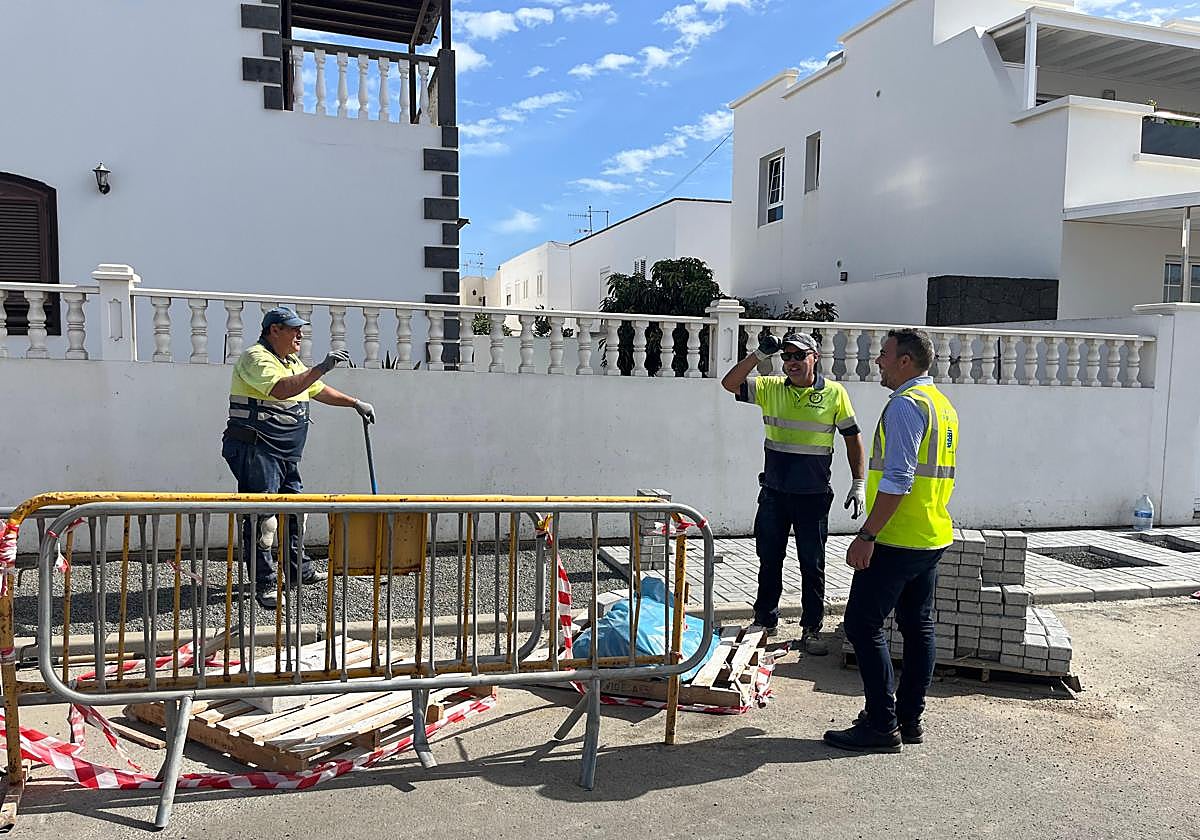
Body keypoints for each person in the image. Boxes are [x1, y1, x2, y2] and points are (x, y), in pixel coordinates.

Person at [824, 328, 959, 753]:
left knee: (863, 626)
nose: (877, 362)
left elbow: (899, 478)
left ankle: (881, 724)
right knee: (918, 627)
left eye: (884, 355)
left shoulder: (905, 406)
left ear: (905, 361)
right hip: (930, 534)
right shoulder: (941, 405)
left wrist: (867, 534)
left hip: (897, 539)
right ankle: (909, 719)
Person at [722, 330, 866, 654]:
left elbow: (853, 438)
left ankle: (812, 628)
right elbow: (729, 384)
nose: (791, 362)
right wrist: (759, 356)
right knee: (769, 559)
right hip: (774, 493)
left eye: (799, 355)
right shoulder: (771, 387)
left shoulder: (834, 393)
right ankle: (765, 619)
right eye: (786, 356)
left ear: (815, 357)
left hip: (813, 496)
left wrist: (859, 483)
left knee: (811, 564)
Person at [222, 306, 376, 610]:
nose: (299, 335)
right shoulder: (256, 358)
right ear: (273, 330)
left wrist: (354, 403)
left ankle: (297, 571)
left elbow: (316, 390)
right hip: (257, 449)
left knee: (295, 512)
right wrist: (320, 367)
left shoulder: (290, 361)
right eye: (293, 329)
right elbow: (280, 390)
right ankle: (264, 583)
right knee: (263, 519)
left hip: (284, 451)